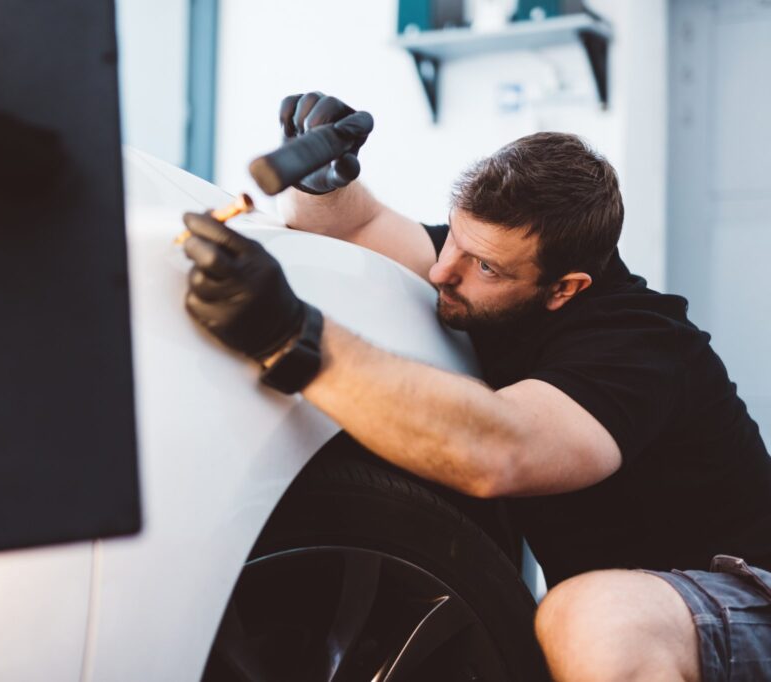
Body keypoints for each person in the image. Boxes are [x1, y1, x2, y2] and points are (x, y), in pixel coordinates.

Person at [179, 92, 771, 681]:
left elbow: (500, 450)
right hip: (655, 599)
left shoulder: (640, 343)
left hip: (749, 593)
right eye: (454, 240)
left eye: (483, 266)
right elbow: (360, 227)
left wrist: (290, 335)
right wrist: (322, 184)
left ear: (564, 288)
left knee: (594, 619)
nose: (442, 271)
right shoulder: (488, 271)